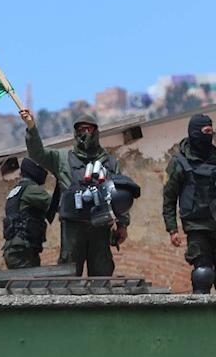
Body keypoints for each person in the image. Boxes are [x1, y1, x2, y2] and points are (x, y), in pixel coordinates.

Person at [20, 110, 133, 276]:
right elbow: (37, 153)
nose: (84, 133)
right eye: (80, 130)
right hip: (72, 227)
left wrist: (122, 225)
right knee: (68, 273)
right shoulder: (62, 158)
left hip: (101, 226)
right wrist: (31, 127)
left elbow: (119, 193)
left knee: (102, 273)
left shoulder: (109, 163)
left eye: (88, 129)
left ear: (95, 131)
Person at [163, 114, 216, 294]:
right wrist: (172, 229)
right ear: (194, 132)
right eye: (205, 131)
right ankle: (202, 310)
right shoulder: (179, 162)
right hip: (197, 226)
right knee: (203, 274)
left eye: (211, 131)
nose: (209, 135)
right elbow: (169, 197)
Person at [2, 157, 52, 269]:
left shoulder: (17, 190)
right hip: (23, 248)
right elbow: (53, 205)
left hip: (15, 249)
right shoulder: (31, 189)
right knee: (30, 280)